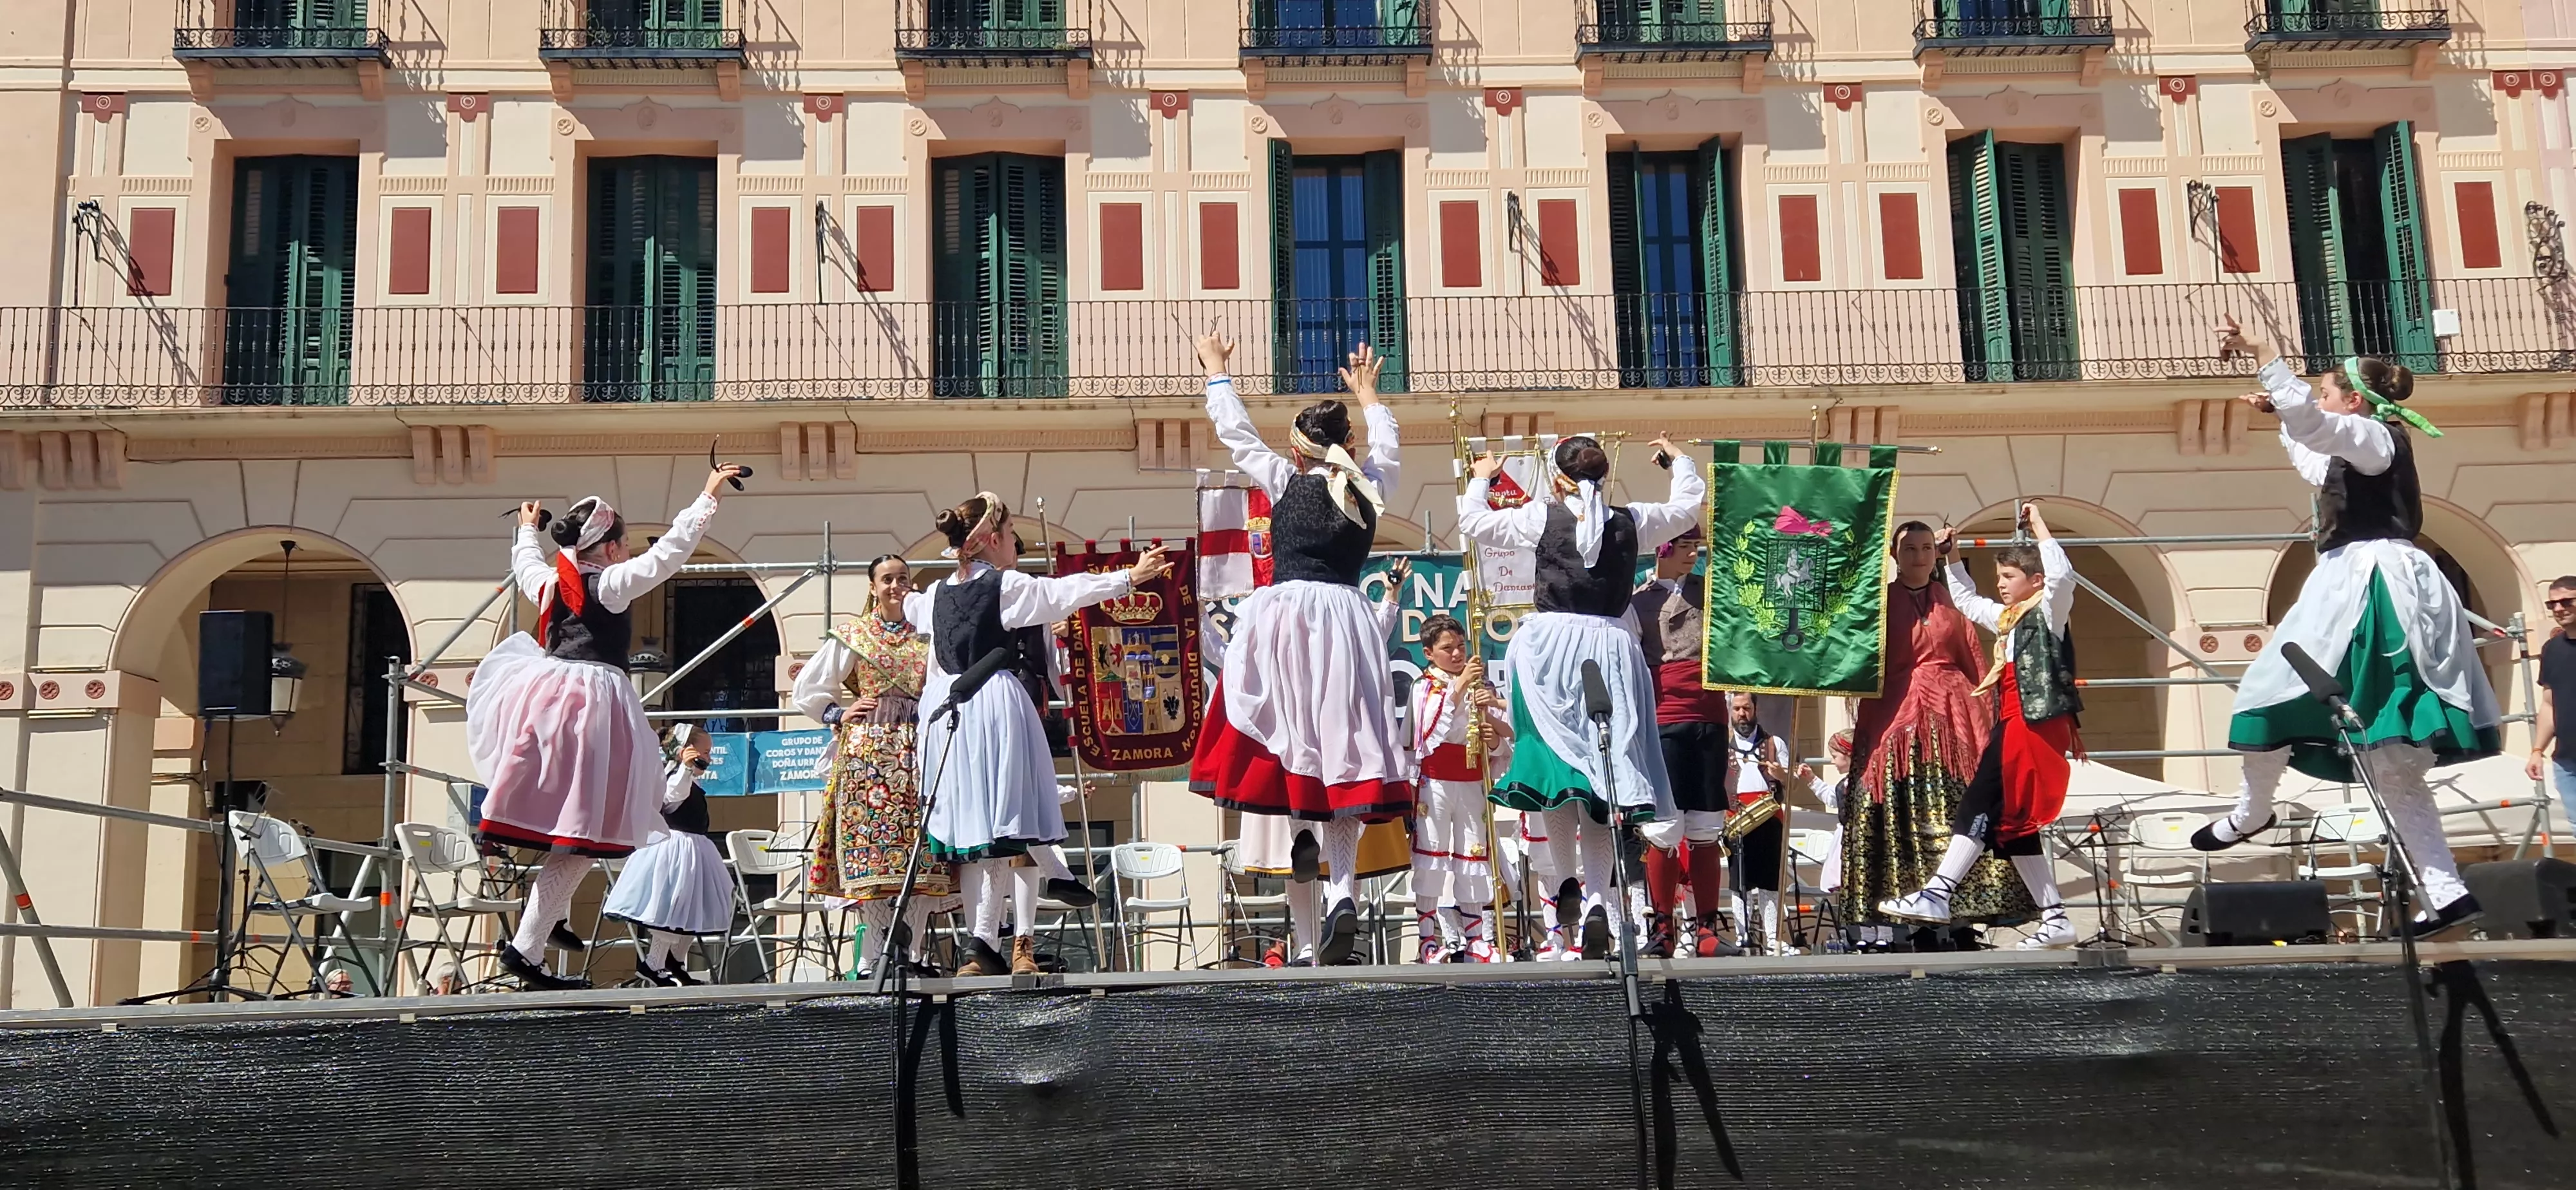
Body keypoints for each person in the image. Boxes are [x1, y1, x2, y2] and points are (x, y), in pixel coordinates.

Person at [2192, 317, 2502, 939]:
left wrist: (2268, 359)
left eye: (2326, 391)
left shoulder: (2373, 436)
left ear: (2353, 401)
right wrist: (2282, 410)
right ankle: (2445, 893)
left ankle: (2253, 812)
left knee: (2269, 695)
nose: (2321, 399)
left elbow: (2315, 426)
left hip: (2369, 585)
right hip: (2373, 582)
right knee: (2390, 761)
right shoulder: (2363, 446)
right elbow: (2313, 455)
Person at [469, 461, 744, 990]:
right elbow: (670, 553)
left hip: (546, 701)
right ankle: (530, 945)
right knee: (585, 834)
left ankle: (543, 932)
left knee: (572, 832)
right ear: (613, 547)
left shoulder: (551, 583)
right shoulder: (612, 583)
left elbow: (528, 564)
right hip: (593, 705)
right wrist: (708, 495)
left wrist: (528, 527)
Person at [1188, 333, 1412, 968]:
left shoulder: (1285, 478)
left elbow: (1236, 436)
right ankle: (1341, 888)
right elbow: (1389, 447)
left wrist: (1217, 372)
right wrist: (1370, 395)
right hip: (1345, 615)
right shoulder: (1370, 486)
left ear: (1297, 448)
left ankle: (1301, 836)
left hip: (1284, 614)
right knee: (1345, 749)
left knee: (1288, 735)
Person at [1459, 433, 1703, 959]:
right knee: (1601, 771)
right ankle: (1595, 895)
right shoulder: (1631, 520)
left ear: (1557, 478)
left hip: (1547, 646)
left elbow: (1474, 524)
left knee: (1554, 765)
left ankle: (1567, 879)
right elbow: (1687, 508)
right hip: (1609, 646)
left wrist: (1482, 476)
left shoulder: (1539, 517)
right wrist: (1679, 461)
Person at [913, 492, 1170, 976]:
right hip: (991, 704)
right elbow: (1062, 594)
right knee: (999, 828)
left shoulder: (934, 596)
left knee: (975, 836)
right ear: (992, 540)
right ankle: (992, 933)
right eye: (1010, 537)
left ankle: (982, 942)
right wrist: (1129, 578)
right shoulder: (1005, 586)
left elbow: (919, 635)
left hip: (949, 708)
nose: (1015, 546)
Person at [1879, 504, 2080, 950]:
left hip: (2033, 723)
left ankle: (1938, 892)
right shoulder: (2008, 620)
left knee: (1977, 803)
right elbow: (1967, 602)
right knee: (2014, 827)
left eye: (2008, 577)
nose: (2001, 585)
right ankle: (2056, 917)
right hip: (2013, 719)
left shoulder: (2050, 612)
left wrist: (2039, 527)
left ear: (2035, 580)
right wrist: (1953, 558)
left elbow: (2064, 577)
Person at [1840, 520, 2026, 948]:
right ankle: (1916, 923)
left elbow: (1974, 660)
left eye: (1926, 548)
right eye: (1910, 549)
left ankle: (1962, 919)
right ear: (1895, 555)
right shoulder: (1877, 605)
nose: (1919, 556)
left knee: (1957, 814)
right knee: (1902, 816)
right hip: (1895, 720)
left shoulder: (1951, 603)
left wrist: (1985, 717)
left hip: (1953, 720)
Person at [795, 555, 957, 980]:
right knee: (874, 859)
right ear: (872, 587)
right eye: (887, 579)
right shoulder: (856, 634)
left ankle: (915, 954)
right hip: (872, 754)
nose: (896, 586)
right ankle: (873, 960)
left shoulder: (929, 633)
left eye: (903, 578)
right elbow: (809, 686)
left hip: (922, 745)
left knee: (921, 860)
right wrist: (837, 713)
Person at [1631, 529, 1731, 959]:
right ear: (1662, 548)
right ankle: (1663, 925)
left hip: (1709, 716)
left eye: (1697, 547)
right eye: (1684, 546)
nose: (1693, 554)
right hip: (1662, 717)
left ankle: (1706, 925)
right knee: (1665, 827)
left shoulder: (1714, 594)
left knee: (1707, 826)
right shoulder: (1637, 600)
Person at [1408, 614, 1512, 963]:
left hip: (1471, 782)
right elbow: (1425, 734)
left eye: (1461, 647)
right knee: (1432, 858)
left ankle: (1476, 938)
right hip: (1435, 782)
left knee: (1473, 854)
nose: (1456, 654)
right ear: (1429, 653)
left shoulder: (1482, 689)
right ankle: (1427, 940)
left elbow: (1501, 742)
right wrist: (1460, 687)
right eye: (1447, 648)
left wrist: (1493, 739)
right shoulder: (1424, 687)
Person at [600, 722, 732, 987]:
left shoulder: (689, 781)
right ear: (685, 751)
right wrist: (685, 767)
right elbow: (672, 798)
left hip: (695, 850)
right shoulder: (673, 777)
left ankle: (675, 962)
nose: (708, 758)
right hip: (676, 849)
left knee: (693, 906)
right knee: (672, 906)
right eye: (704, 752)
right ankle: (654, 963)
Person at [1720, 692, 1798, 955]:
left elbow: (1793, 784)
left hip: (1769, 820)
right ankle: (1743, 937)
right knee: (1739, 884)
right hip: (1737, 821)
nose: (1742, 714)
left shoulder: (1775, 743)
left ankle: (1775, 939)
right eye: (1737, 709)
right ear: (1731, 712)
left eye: (1747, 708)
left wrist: (1781, 774)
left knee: (1770, 885)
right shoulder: (1723, 746)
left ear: (1756, 709)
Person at [2524, 577, 2576, 830]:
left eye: (2567, 601)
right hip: (2567, 761)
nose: (2558, 609)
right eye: (2552, 604)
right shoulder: (2552, 649)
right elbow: (2549, 704)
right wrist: (2537, 750)